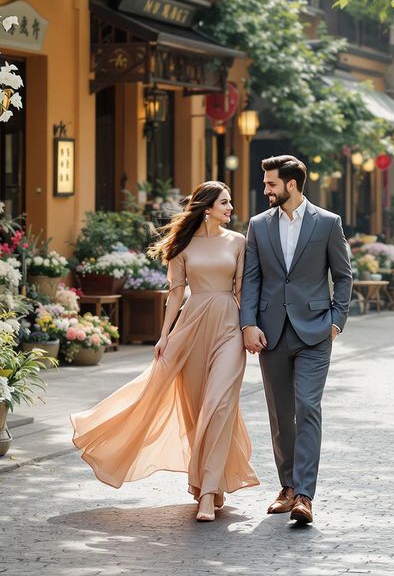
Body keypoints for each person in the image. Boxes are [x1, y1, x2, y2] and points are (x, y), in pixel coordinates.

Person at [70, 181, 259, 523]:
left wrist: (249, 327)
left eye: (231, 202)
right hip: (191, 327)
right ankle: (208, 484)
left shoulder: (239, 242)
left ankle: (206, 492)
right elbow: (175, 293)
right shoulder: (183, 247)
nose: (232, 208)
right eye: (226, 203)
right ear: (207, 208)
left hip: (229, 328)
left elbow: (242, 290)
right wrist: (164, 335)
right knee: (196, 408)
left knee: (218, 406)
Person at [241, 155, 352, 526]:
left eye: (271, 183)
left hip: (315, 331)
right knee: (280, 414)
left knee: (307, 407)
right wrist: (248, 324)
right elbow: (252, 279)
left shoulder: (328, 223)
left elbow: (343, 275)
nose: (266, 189)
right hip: (270, 332)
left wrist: (336, 320)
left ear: (291, 185)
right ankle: (287, 488)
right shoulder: (257, 225)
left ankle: (304, 495)